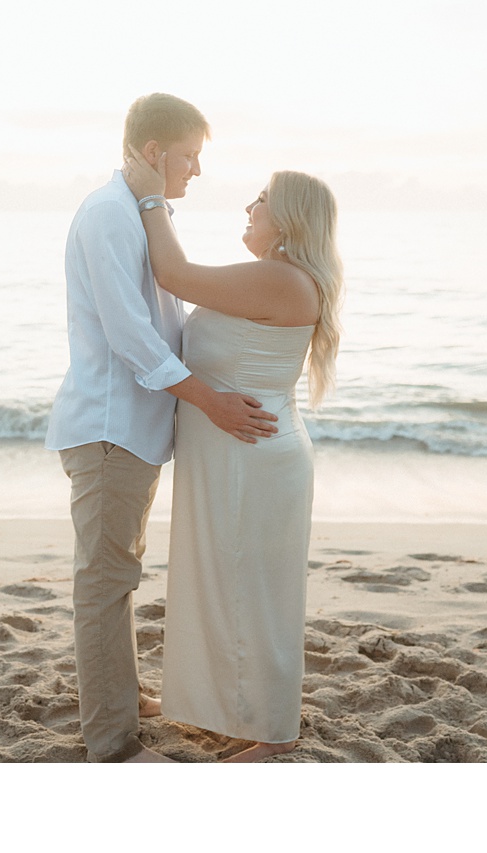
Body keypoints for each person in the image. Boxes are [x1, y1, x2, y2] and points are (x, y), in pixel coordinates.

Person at [44, 93, 279, 764]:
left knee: (118, 575)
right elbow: (131, 336)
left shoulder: (144, 211)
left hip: (135, 432)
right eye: (191, 157)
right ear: (154, 152)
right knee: (104, 581)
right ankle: (112, 741)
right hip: (110, 431)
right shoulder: (108, 215)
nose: (198, 171)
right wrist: (210, 400)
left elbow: (169, 310)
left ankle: (121, 696)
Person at [123, 147, 344, 762]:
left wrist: (149, 196)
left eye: (263, 199)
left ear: (291, 220)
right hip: (239, 454)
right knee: (225, 585)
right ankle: (222, 705)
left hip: (253, 459)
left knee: (254, 594)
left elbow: (173, 272)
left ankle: (273, 735)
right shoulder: (275, 279)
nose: (249, 206)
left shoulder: (280, 278)